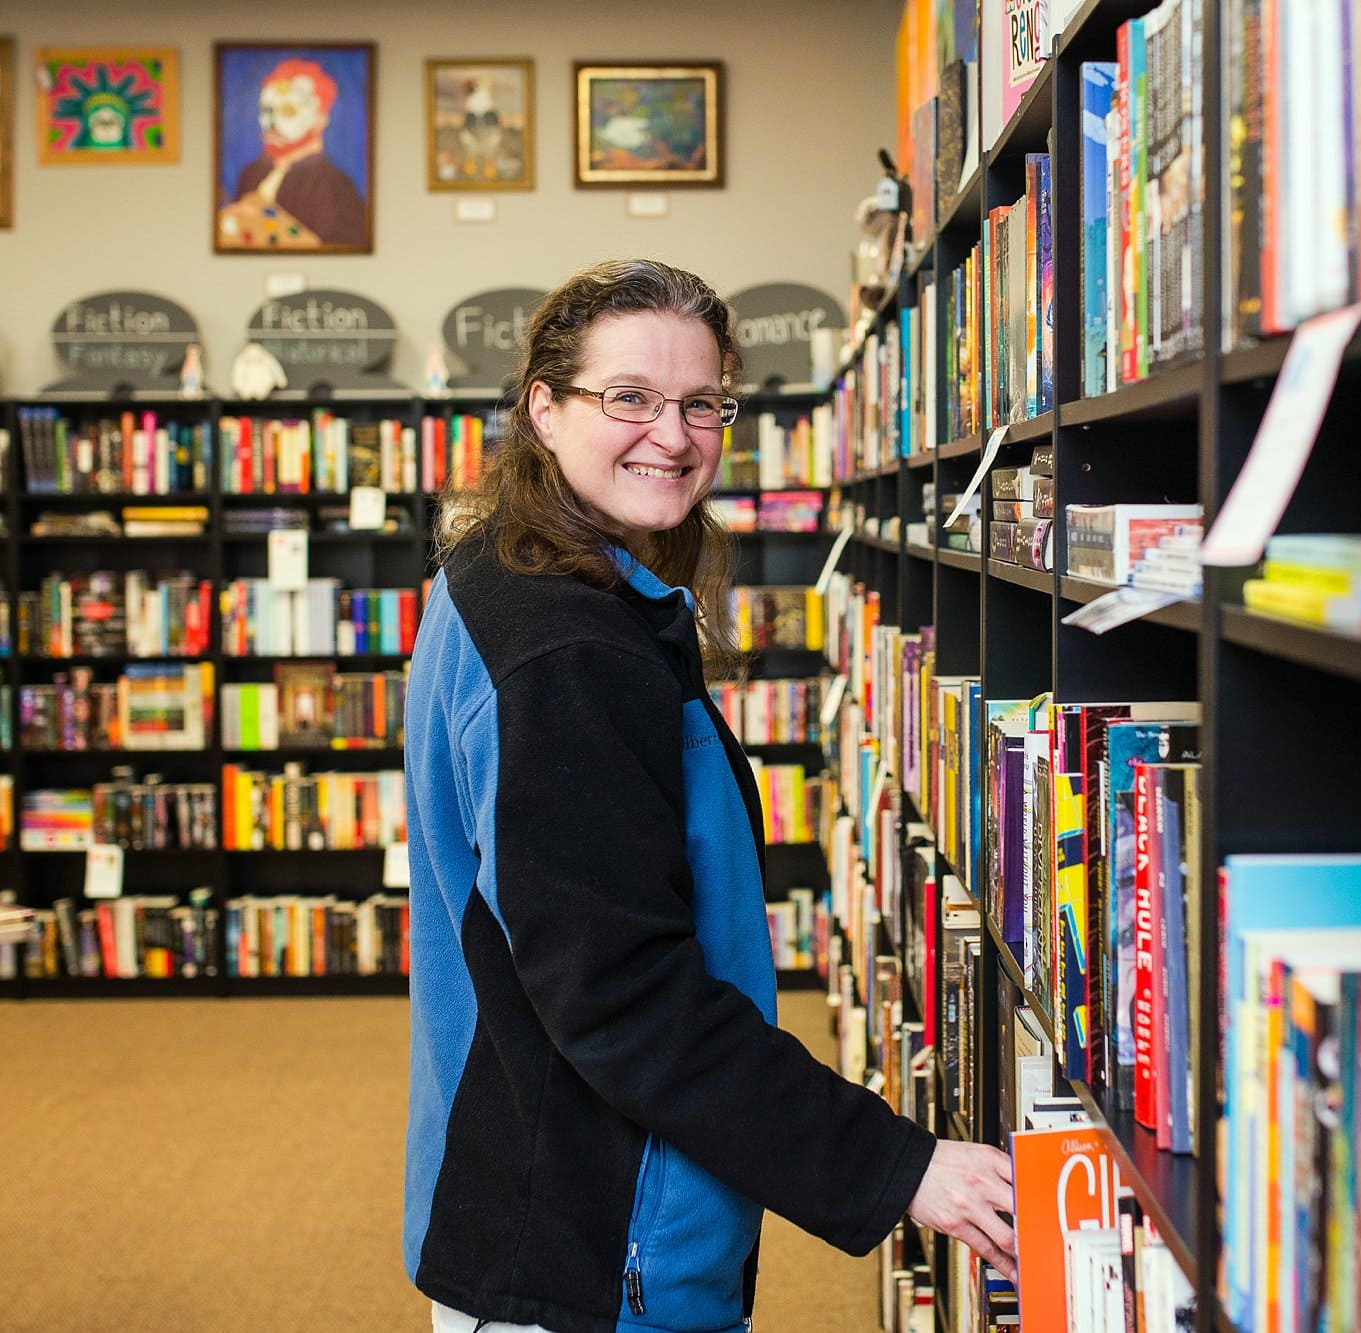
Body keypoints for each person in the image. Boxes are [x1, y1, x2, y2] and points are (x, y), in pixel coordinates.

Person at [403, 259, 1016, 1333]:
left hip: (530, 1177)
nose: (673, 435)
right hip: (592, 1236)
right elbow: (621, 991)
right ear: (543, 408)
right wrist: (892, 1165)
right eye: (627, 397)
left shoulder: (508, 571)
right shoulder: (562, 649)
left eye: (701, 404)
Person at [219, 58, 367, 249]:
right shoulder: (251, 174)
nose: (271, 124)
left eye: (288, 111)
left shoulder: (336, 187)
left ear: (320, 118)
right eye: (266, 111)